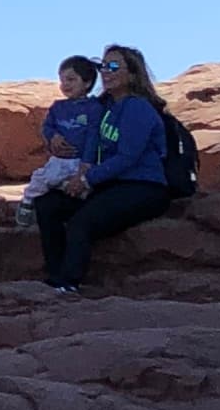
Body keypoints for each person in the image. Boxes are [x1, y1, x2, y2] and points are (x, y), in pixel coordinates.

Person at [35, 44, 174, 293]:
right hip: (109, 183)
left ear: (132, 74)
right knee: (48, 205)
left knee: (82, 222)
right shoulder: (102, 108)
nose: (105, 72)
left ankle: (68, 283)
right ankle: (55, 276)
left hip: (143, 187)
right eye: (102, 66)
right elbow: (75, 134)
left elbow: (127, 158)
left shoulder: (137, 108)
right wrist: (54, 138)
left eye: (113, 66)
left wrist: (86, 179)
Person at [16, 55, 101, 221]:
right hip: (59, 159)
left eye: (71, 79)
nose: (65, 85)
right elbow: (47, 127)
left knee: (83, 189)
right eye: (62, 80)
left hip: (80, 160)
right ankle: (27, 203)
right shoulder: (58, 107)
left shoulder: (94, 108)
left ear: (87, 82)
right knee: (41, 179)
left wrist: (87, 163)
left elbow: (93, 136)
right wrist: (53, 136)